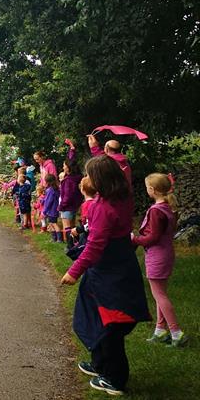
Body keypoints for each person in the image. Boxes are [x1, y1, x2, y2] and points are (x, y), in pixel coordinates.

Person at [61, 155, 150, 396]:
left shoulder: (103, 208)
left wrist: (73, 271)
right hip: (119, 264)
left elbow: (95, 246)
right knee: (94, 315)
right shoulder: (122, 197)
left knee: (111, 322)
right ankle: (100, 364)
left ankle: (115, 378)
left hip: (108, 271)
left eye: (90, 175)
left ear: (101, 179)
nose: (86, 179)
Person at [132, 173, 187, 347]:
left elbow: (152, 237)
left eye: (148, 187)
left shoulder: (156, 211)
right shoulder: (168, 208)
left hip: (157, 255)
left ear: (152, 190)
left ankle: (176, 332)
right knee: (160, 294)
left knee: (160, 295)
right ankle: (160, 330)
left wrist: (134, 239)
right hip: (166, 253)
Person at [59, 157, 84, 241]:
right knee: (73, 225)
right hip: (75, 204)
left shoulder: (69, 180)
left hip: (67, 206)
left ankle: (70, 244)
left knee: (67, 226)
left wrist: (62, 206)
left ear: (68, 167)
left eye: (64, 166)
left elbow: (67, 195)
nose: (63, 168)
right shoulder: (78, 177)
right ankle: (76, 242)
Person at [43, 174, 61, 242]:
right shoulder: (56, 189)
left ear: (47, 182)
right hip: (55, 209)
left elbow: (48, 202)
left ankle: (59, 239)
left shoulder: (50, 190)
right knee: (51, 224)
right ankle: (54, 238)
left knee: (54, 224)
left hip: (51, 211)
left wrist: (44, 211)